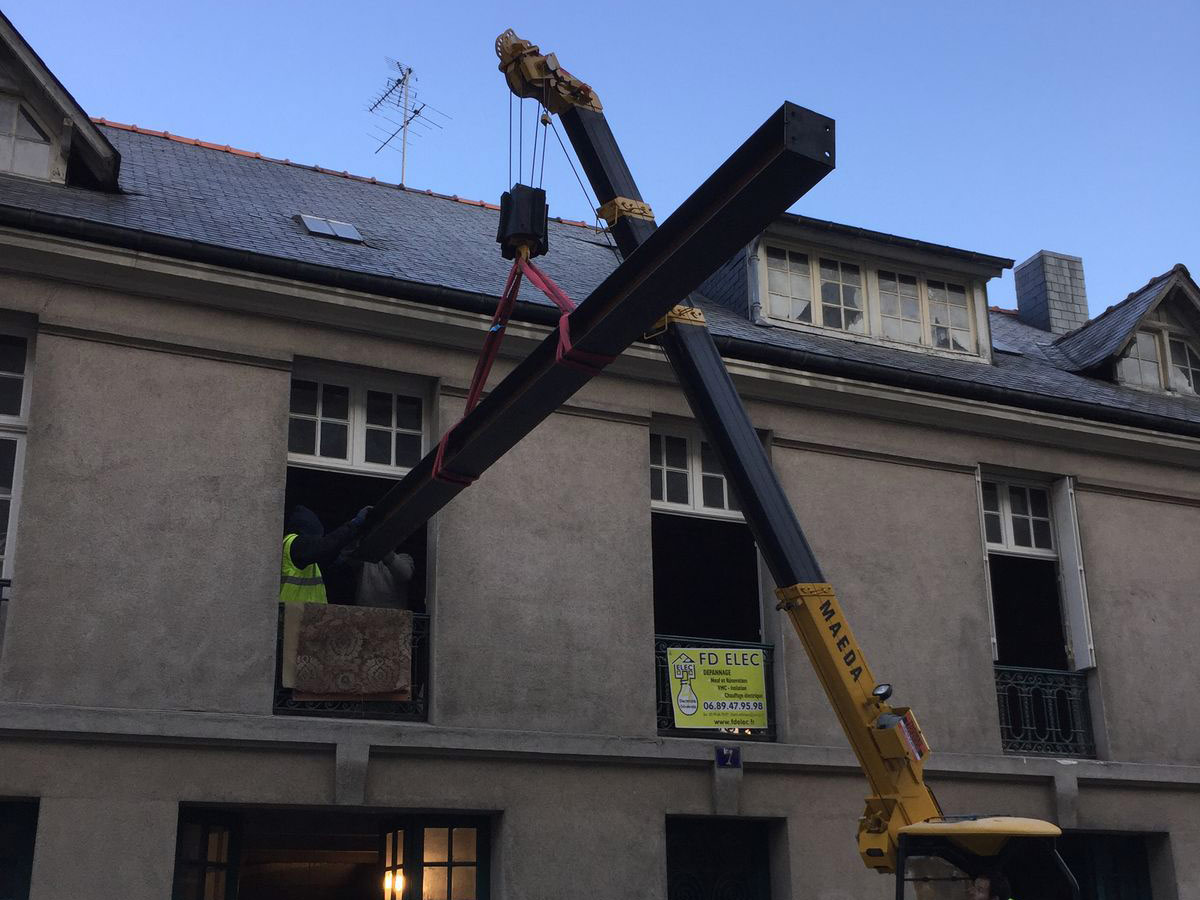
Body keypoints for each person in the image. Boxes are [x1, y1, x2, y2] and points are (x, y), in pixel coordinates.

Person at [279, 505, 371, 605]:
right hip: (292, 614)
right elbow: (327, 544)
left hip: (304, 613)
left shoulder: (303, 553)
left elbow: (325, 554)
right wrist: (354, 524)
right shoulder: (296, 544)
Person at [348, 549, 415, 609]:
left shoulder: (405, 558)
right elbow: (350, 561)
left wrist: (384, 550)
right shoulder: (365, 560)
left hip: (393, 615)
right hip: (364, 612)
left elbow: (405, 575)